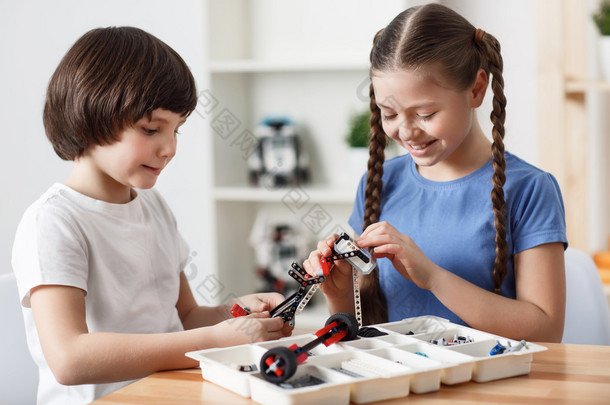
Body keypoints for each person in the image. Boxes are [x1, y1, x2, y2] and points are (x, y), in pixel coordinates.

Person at [12, 27, 291, 405]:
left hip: (165, 393)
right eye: (151, 129)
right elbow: (69, 358)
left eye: (177, 130)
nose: (169, 148)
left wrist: (234, 315)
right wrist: (212, 340)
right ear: (92, 112)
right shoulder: (54, 222)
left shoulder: (153, 207)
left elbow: (186, 317)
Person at [303, 3, 567, 342]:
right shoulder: (379, 182)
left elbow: (546, 331)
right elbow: (368, 324)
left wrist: (431, 277)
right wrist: (336, 292)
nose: (407, 131)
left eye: (426, 114)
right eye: (389, 113)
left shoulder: (530, 189)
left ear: (476, 90)